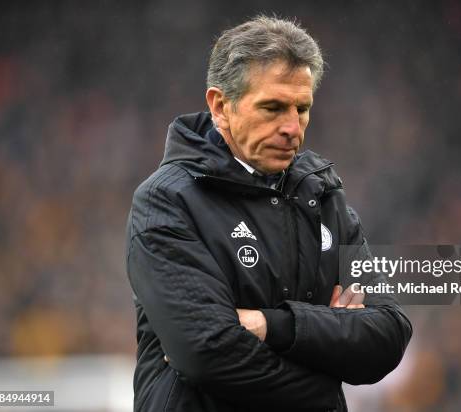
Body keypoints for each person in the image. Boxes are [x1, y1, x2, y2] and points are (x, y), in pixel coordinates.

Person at [125, 15, 412, 412]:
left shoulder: (324, 196)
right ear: (221, 106)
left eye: (302, 108)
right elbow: (207, 353)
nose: (292, 128)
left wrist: (272, 326)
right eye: (273, 108)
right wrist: (326, 383)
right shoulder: (167, 202)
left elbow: (388, 333)